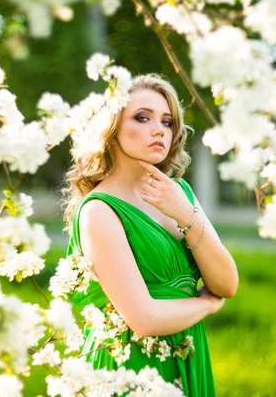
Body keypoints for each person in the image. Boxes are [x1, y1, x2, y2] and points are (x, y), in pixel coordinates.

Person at [61, 74, 239, 396]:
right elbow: (143, 317)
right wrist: (207, 306)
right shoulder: (98, 210)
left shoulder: (179, 192)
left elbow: (226, 282)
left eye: (168, 122)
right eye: (142, 118)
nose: (159, 129)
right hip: (130, 367)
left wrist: (186, 214)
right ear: (112, 129)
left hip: (188, 353)